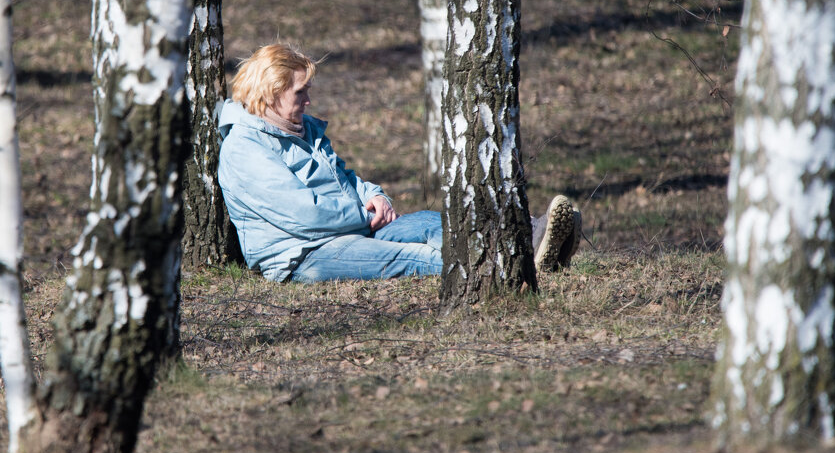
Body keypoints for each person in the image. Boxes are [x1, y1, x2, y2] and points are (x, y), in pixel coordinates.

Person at [217, 43, 582, 283]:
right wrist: (362, 214)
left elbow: (345, 177)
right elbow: (303, 215)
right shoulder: (245, 148)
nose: (309, 100)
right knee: (413, 257)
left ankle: (522, 242)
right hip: (302, 254)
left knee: (431, 222)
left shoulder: (301, 127)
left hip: (350, 228)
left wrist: (375, 196)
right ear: (270, 94)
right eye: (301, 92)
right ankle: (514, 268)